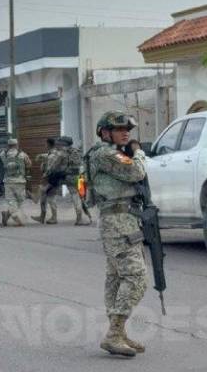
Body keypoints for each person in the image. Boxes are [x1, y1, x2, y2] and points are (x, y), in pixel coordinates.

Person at [87, 110, 148, 357]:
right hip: (117, 222)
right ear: (105, 132)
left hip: (123, 219)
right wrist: (139, 151)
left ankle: (118, 332)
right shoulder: (106, 154)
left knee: (115, 277)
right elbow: (137, 172)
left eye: (128, 130)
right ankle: (114, 333)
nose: (125, 134)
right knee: (136, 277)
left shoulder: (108, 152)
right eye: (120, 129)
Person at [31, 137, 68, 225]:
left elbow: (51, 167)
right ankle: (42, 216)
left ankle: (53, 218)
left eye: (46, 143)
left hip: (51, 179)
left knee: (50, 197)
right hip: (52, 178)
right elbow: (47, 156)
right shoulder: (52, 153)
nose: (45, 145)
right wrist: (40, 156)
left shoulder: (52, 155)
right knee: (44, 197)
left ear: (48, 144)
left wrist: (45, 177)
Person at [61, 136, 93, 226]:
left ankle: (80, 218)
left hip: (70, 177)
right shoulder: (77, 151)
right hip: (80, 177)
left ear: (64, 144)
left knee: (76, 197)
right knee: (81, 197)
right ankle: (87, 216)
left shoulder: (63, 153)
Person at [0, 138, 32, 226]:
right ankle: (16, 218)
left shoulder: (3, 154)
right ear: (17, 145)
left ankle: (7, 214)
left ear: (8, 145)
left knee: (11, 200)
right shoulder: (22, 154)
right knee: (19, 201)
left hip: (8, 181)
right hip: (20, 181)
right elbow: (29, 164)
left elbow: (2, 156)